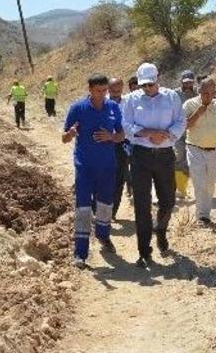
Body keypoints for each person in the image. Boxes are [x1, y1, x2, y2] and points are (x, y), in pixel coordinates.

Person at [121, 63, 186, 268]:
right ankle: (144, 250)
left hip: (165, 155)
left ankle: (161, 231)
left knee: (167, 201)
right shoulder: (130, 100)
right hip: (140, 156)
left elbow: (181, 121)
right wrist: (147, 133)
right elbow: (125, 125)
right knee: (142, 204)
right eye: (144, 85)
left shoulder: (171, 97)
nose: (147, 88)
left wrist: (167, 135)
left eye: (150, 84)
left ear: (158, 79)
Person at [62, 74, 124, 269]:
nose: (103, 94)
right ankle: (80, 253)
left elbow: (122, 135)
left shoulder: (113, 108)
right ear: (90, 89)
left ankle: (104, 237)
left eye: (105, 90)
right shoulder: (77, 108)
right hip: (85, 166)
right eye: (99, 91)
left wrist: (111, 136)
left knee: (105, 205)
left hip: (107, 166)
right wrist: (70, 134)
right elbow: (64, 137)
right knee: (83, 207)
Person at [182, 77, 216, 225]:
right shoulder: (189, 105)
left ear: (214, 92)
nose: (207, 96)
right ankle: (201, 215)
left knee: (210, 184)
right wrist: (198, 113)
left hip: (213, 151)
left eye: (210, 93)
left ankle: (206, 212)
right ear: (199, 91)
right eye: (204, 93)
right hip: (194, 149)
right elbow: (184, 126)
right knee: (199, 182)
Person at [107, 77, 131, 219]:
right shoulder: (102, 103)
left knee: (119, 179)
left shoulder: (129, 103)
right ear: (108, 90)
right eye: (113, 91)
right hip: (105, 144)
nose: (116, 94)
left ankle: (112, 212)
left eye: (118, 91)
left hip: (123, 145)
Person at [173, 70, 198, 198]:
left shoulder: (197, 94)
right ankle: (178, 188)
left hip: (193, 131)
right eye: (186, 83)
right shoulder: (174, 94)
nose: (188, 85)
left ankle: (181, 187)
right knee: (179, 157)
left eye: (190, 83)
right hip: (178, 132)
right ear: (181, 82)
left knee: (190, 161)